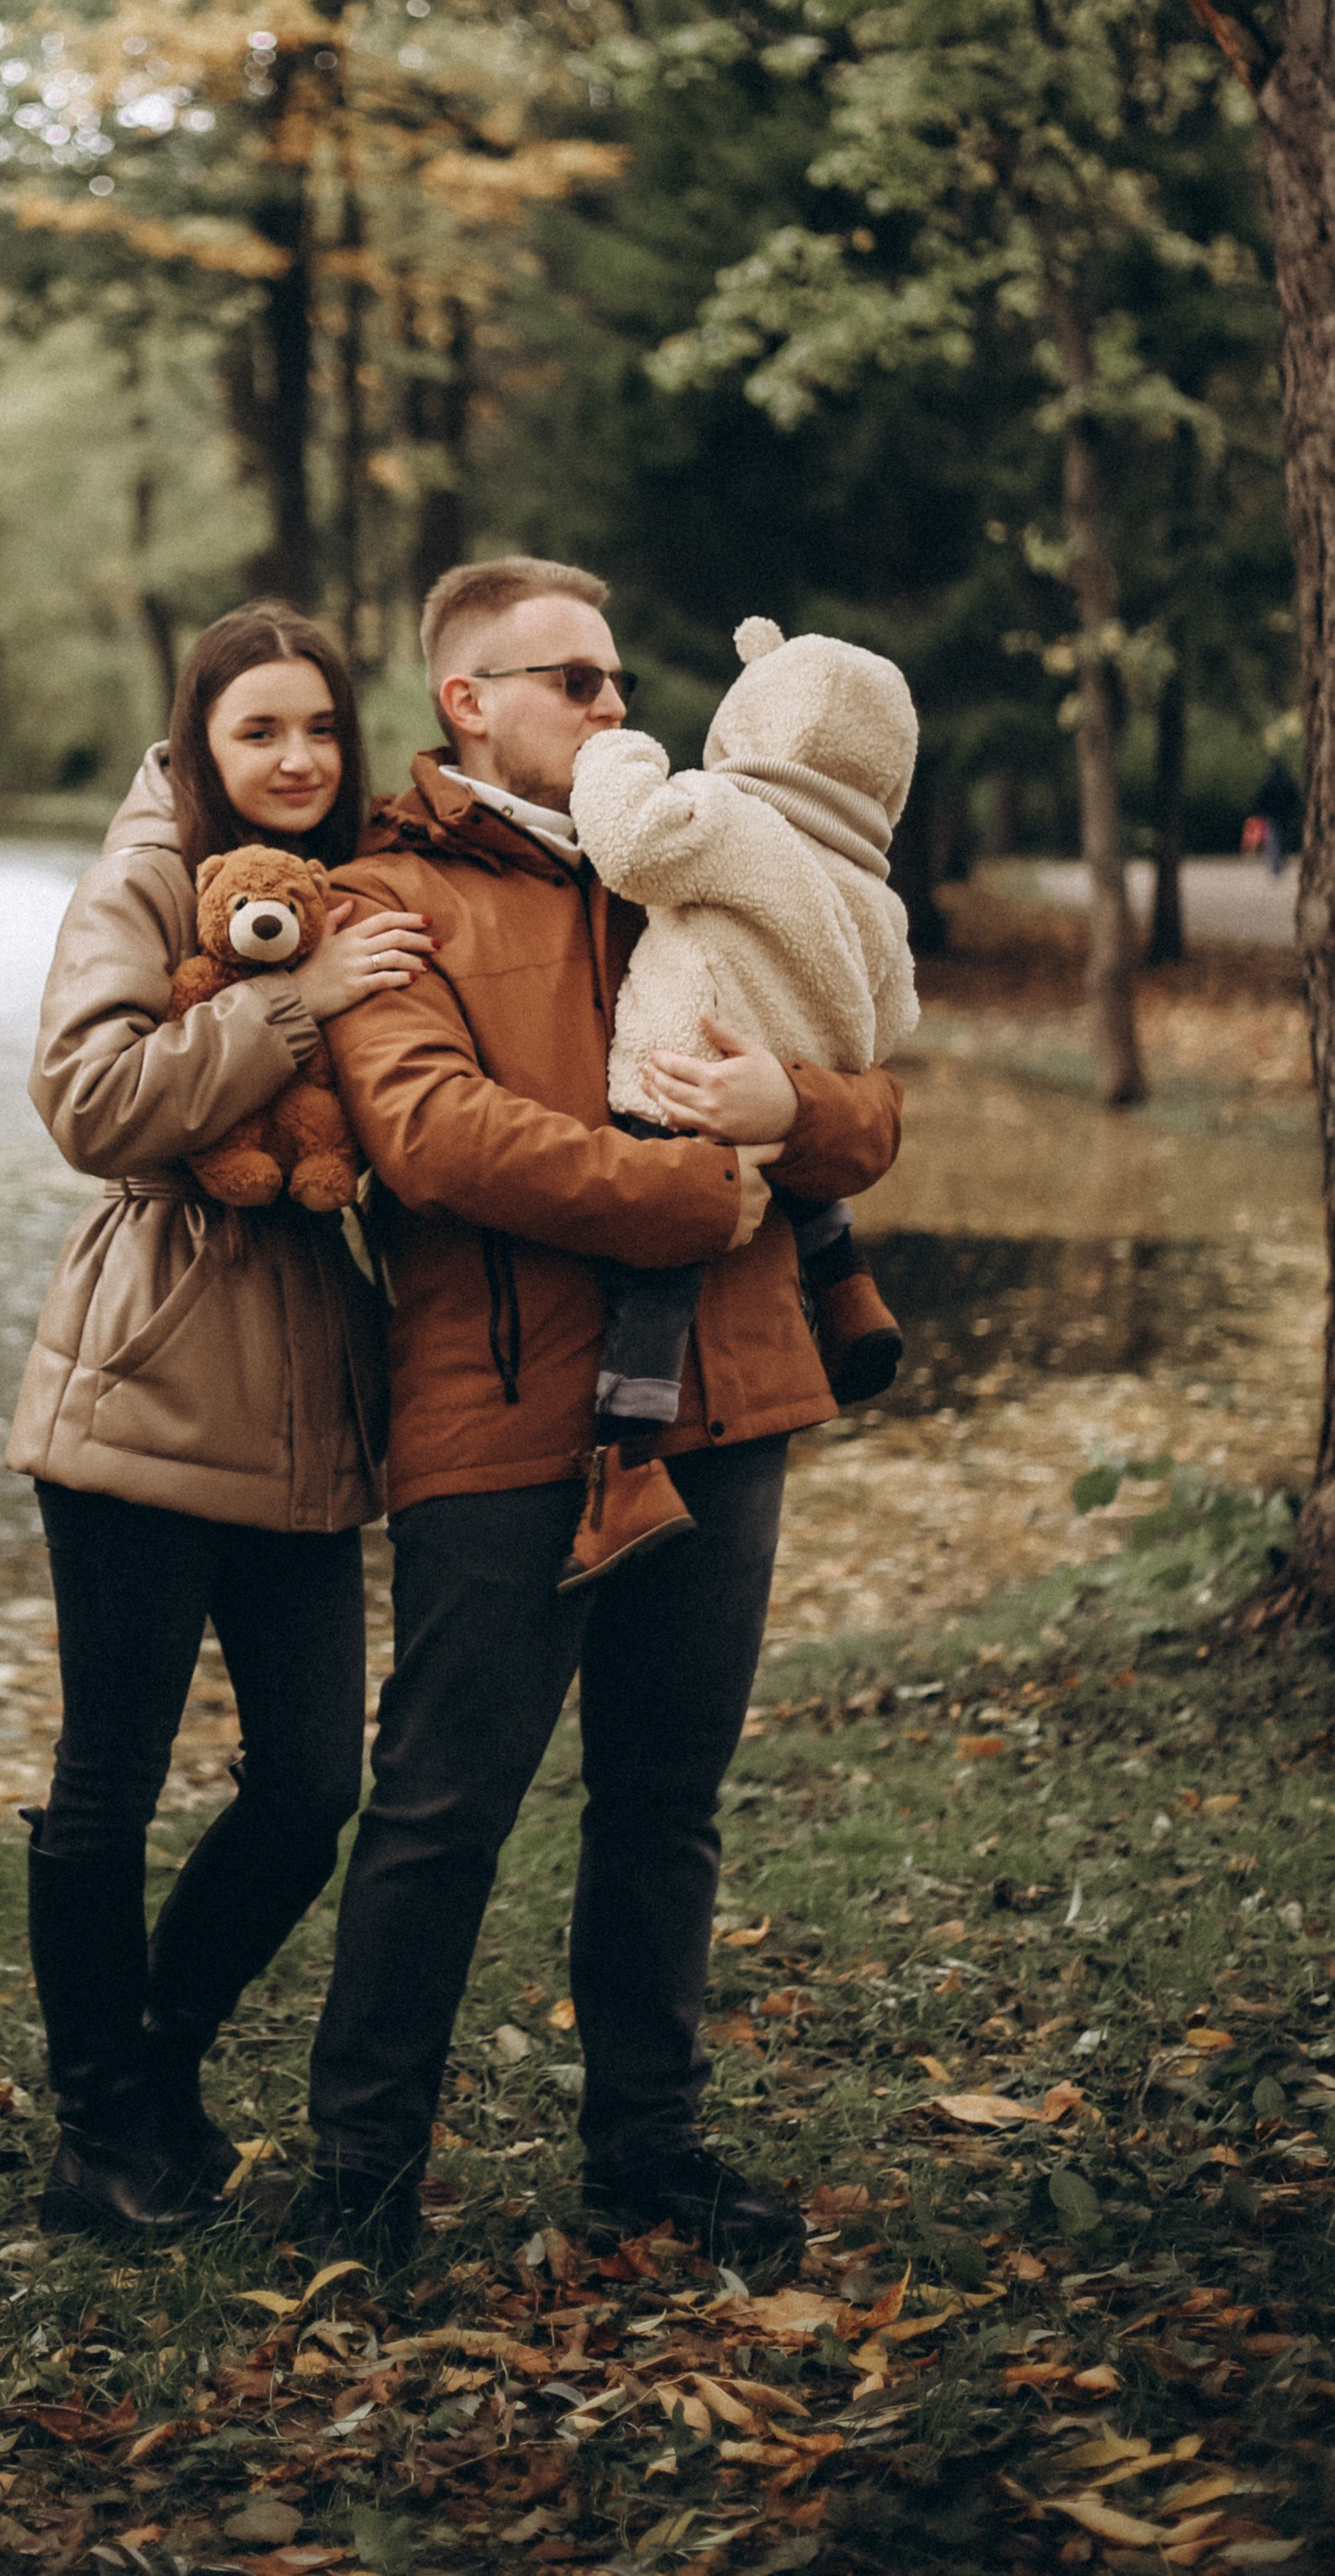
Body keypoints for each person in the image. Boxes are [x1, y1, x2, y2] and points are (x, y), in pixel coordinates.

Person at [301, 555, 902, 2274]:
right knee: (441, 1806)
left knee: (667, 1800)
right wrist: (672, 1194)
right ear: (467, 703)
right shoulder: (383, 896)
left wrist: (792, 1102)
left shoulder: (703, 852)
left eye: (624, 679)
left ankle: (647, 2151)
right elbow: (427, 1132)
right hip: (501, 1414)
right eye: (575, 680)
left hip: (729, 1400)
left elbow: (866, 1095)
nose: (618, 707)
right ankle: (359, 2180)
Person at [7, 599, 433, 2239]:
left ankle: (160, 2059)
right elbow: (92, 1102)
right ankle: (101, 2135)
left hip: (305, 1388)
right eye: (260, 730)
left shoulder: (358, 881)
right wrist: (299, 1002)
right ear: (200, 747)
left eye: (319, 728)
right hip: (152, 1364)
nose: (297, 759)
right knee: (106, 1777)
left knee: (315, 1779)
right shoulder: (142, 879)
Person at [562, 613, 918, 1589]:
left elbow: (629, 847)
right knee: (795, 1193)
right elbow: (893, 1025)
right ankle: (847, 1299)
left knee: (660, 1280)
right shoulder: (873, 892)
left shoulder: (729, 821)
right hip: (788, 1085)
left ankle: (625, 1470)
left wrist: (616, 753)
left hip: (679, 1080)